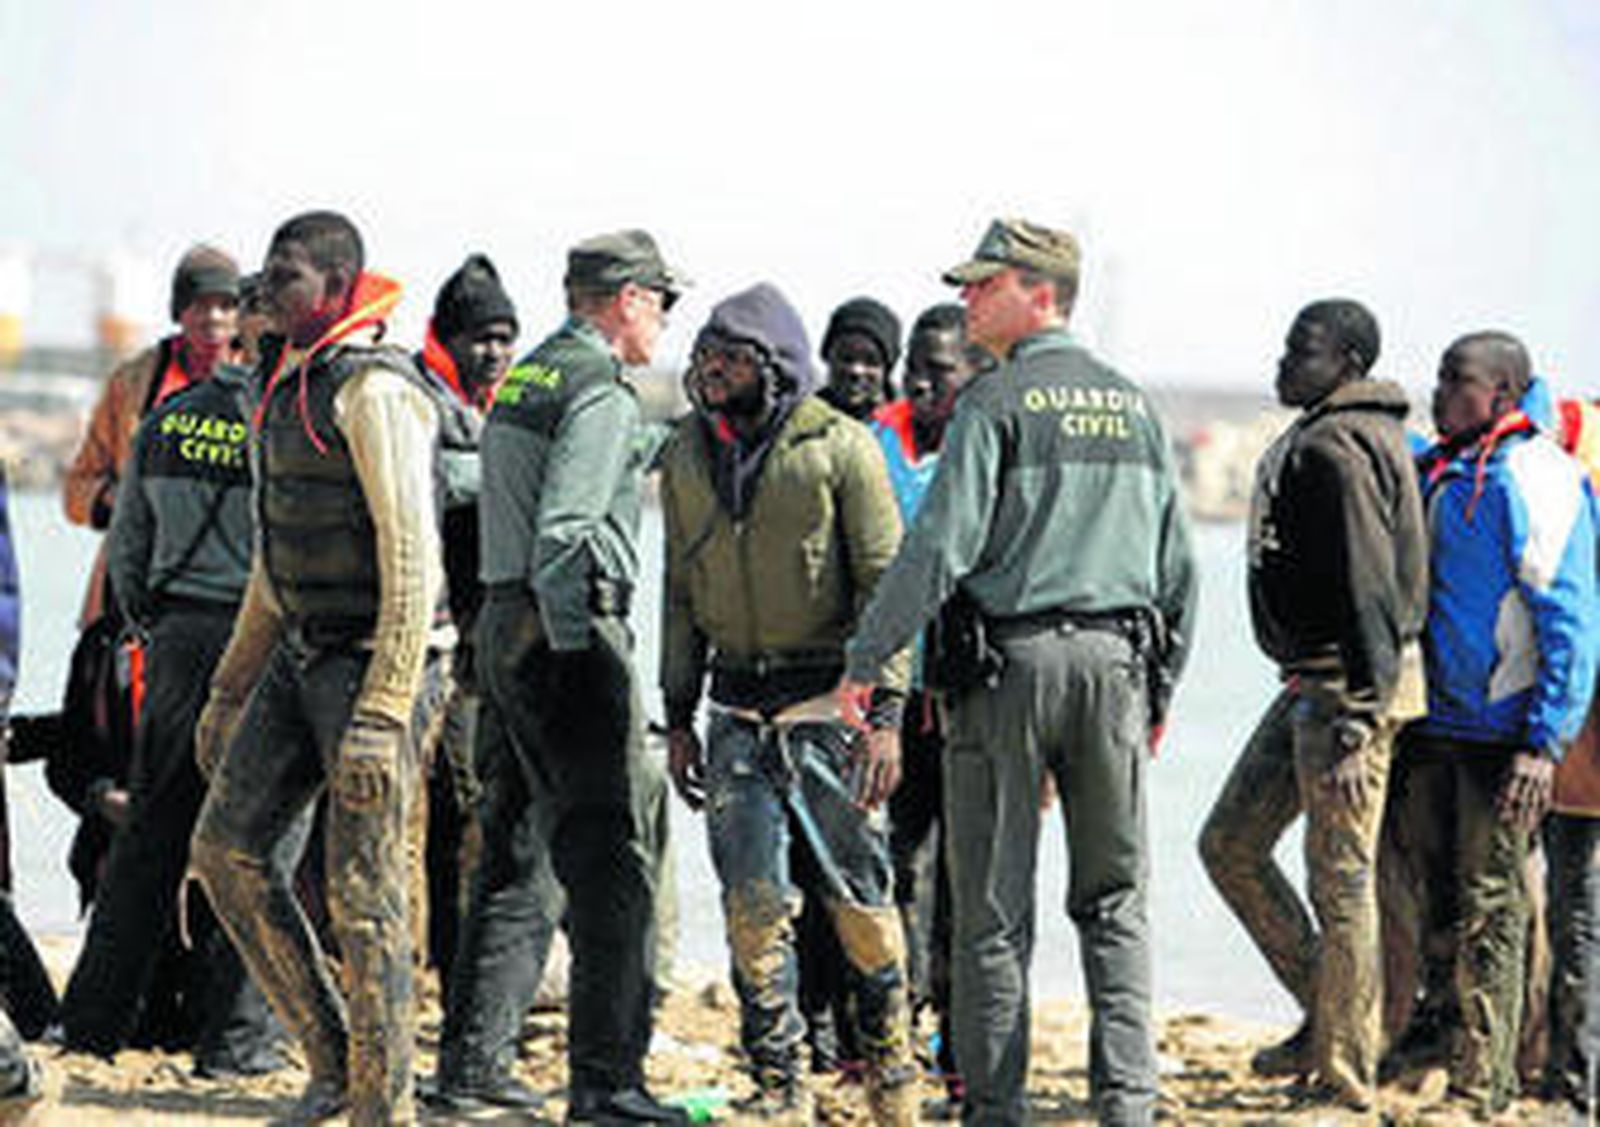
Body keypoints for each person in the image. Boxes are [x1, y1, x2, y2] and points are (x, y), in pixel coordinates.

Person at [839, 218, 1198, 1126]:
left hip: (1009, 673)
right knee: (1116, 907)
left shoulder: (994, 405)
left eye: (981, 284)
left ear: (1040, 292)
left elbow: (938, 548)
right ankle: (1129, 1108)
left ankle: (996, 1111)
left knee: (994, 915)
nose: (965, 300)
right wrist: (1159, 692)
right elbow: (1180, 568)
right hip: (1118, 669)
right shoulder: (1133, 404)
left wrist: (867, 656)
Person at [189, 210, 452, 1126]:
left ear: (340, 287)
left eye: (288, 275)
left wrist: (385, 708)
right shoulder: (284, 386)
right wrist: (229, 689)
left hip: (382, 664)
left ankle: (387, 1105)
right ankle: (333, 1061)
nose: (268, 289)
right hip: (303, 654)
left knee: (366, 891)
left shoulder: (376, 391)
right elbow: (274, 561)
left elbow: (414, 557)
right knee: (224, 852)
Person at [661, 282, 918, 1123]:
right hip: (733, 714)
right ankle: (779, 1088)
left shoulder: (839, 447)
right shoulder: (685, 452)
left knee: (862, 907)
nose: (710, 373)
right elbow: (678, 593)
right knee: (752, 908)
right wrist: (676, 713)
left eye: (730, 359)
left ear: (772, 367)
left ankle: (893, 1083)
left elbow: (890, 585)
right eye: (703, 356)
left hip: (828, 714)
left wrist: (884, 716)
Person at [465, 229, 687, 1124]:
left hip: (498, 621)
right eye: (662, 302)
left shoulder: (529, 376)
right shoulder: (600, 388)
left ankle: (471, 1066)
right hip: (562, 634)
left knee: (516, 857)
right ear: (629, 299)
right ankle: (607, 1084)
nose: (667, 321)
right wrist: (578, 655)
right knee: (613, 871)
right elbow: (566, 532)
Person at [1196, 300, 1428, 1109]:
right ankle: (1327, 1016)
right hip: (1315, 679)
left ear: (1351, 361)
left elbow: (1373, 582)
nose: (1284, 361)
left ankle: (1346, 1070)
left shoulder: (1341, 446)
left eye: (1304, 350)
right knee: (1230, 842)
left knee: (1342, 880)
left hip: (1350, 691)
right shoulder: (1336, 433)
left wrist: (1363, 715)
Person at [58, 342, 283, 1075]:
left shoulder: (165, 419)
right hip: (262, 639)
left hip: (178, 638)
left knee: (150, 839)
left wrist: (156, 624)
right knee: (260, 841)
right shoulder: (286, 420)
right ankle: (238, 1043)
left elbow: (127, 549)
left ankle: (89, 1028)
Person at [1395, 332, 1598, 1115]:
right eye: (1440, 376)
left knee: (1496, 912)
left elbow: (1573, 623)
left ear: (1506, 393)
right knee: (1448, 904)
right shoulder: (1444, 465)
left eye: (1459, 381)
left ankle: (1487, 1088)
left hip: (1506, 738)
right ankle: (1451, 1063)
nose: (1441, 392)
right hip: (1440, 723)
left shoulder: (1536, 475)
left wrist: (1544, 744)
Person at [871, 302, 978, 1104]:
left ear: (972, 374)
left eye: (938, 367)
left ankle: (959, 1039)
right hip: (890, 697)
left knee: (972, 877)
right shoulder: (876, 438)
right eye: (916, 362)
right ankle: (895, 1028)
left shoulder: (989, 444)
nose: (919, 378)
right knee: (902, 863)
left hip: (974, 697)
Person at [408, 253, 519, 997]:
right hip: (427, 641)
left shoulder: (505, 407)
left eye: (506, 337)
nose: (496, 351)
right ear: (449, 338)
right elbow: (428, 486)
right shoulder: (415, 399)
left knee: (478, 816)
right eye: (481, 336)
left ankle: (464, 982)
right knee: (434, 817)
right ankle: (439, 975)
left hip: (490, 647)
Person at [63, 245, 243, 626]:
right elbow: (77, 492)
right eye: (200, 305)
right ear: (179, 311)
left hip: (232, 596)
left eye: (225, 306)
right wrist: (130, 501)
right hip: (133, 592)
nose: (213, 318)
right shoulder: (132, 383)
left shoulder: (264, 383)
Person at [818, 296, 901, 421]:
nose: (856, 371)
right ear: (827, 357)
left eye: (871, 362)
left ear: (887, 369)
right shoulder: (799, 421)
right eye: (846, 358)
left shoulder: (906, 429)